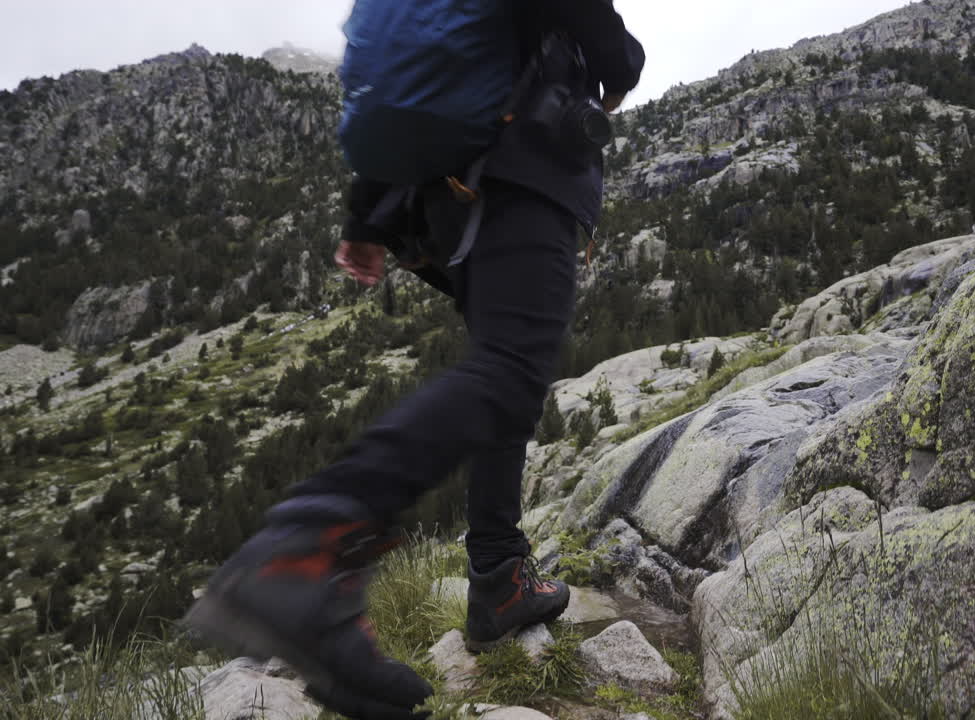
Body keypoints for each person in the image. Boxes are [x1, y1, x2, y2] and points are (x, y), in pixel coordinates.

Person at [184, 2, 644, 718]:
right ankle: (304, 547)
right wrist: (621, 62)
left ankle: (497, 578)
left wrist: (367, 215)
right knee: (509, 373)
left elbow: (413, 69)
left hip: (441, 195)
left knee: (501, 373)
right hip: (525, 163)